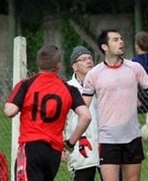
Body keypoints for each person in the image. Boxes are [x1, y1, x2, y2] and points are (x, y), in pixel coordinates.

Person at [81, 29, 148, 181]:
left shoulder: (135, 68)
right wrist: (81, 136)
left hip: (132, 139)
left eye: (121, 39)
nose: (121, 42)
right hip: (108, 140)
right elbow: (84, 108)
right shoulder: (94, 74)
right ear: (104, 47)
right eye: (115, 40)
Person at [3, 44, 91, 181]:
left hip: (31, 147)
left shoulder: (26, 84)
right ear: (58, 65)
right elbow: (86, 116)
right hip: (54, 152)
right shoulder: (69, 89)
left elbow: (10, 111)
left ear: (38, 63)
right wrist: (70, 144)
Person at [64, 46, 102, 181]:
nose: (88, 61)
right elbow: (64, 120)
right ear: (75, 66)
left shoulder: (102, 84)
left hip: (104, 142)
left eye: (90, 58)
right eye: (83, 59)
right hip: (81, 145)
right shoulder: (68, 88)